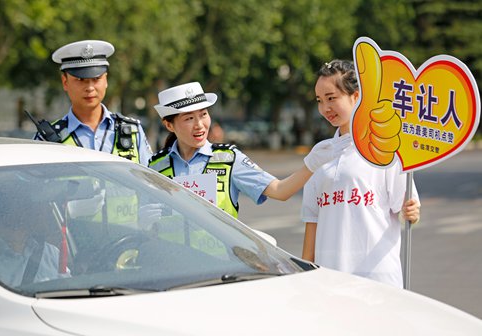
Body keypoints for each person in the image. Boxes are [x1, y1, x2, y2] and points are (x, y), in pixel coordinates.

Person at [301, 60, 421, 288]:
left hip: (377, 280)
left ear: (355, 96)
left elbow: (407, 210)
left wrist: (412, 212)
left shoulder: (385, 149)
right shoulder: (321, 153)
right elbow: (312, 220)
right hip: (330, 281)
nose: (325, 108)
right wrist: (306, 277)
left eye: (331, 98)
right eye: (319, 101)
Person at [149, 81, 335, 218]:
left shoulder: (228, 159)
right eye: (189, 118)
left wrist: (311, 164)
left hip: (219, 266)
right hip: (172, 266)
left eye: (203, 114)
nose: (200, 125)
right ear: (169, 125)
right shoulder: (154, 166)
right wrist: (144, 220)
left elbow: (280, 190)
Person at [33, 40, 152, 165]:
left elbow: (151, 180)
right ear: (65, 82)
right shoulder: (47, 139)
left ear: (106, 80)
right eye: (80, 79)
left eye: (96, 79)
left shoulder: (132, 131)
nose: (90, 88)